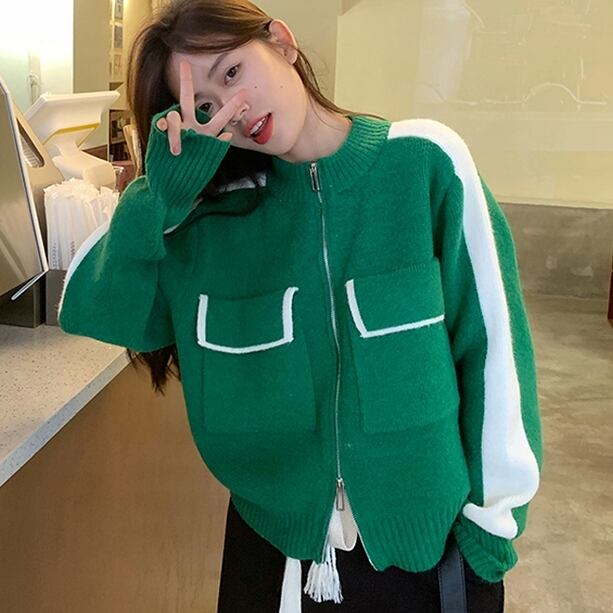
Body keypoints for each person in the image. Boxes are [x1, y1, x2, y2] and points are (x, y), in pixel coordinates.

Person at [57, 0, 544, 611]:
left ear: (282, 43)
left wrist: (490, 532)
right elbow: (95, 310)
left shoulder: (424, 164)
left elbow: (496, 352)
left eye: (232, 72)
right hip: (272, 556)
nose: (232, 108)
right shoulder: (214, 221)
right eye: (203, 107)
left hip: (430, 559)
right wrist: (158, 200)